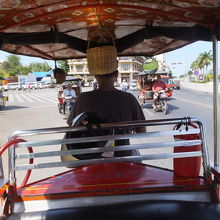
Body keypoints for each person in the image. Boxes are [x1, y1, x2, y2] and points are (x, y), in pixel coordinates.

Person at [67, 44, 146, 157]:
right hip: (122, 155)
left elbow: (72, 125)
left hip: (90, 155)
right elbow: (142, 130)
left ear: (95, 76)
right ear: (116, 75)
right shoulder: (129, 98)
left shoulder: (83, 98)